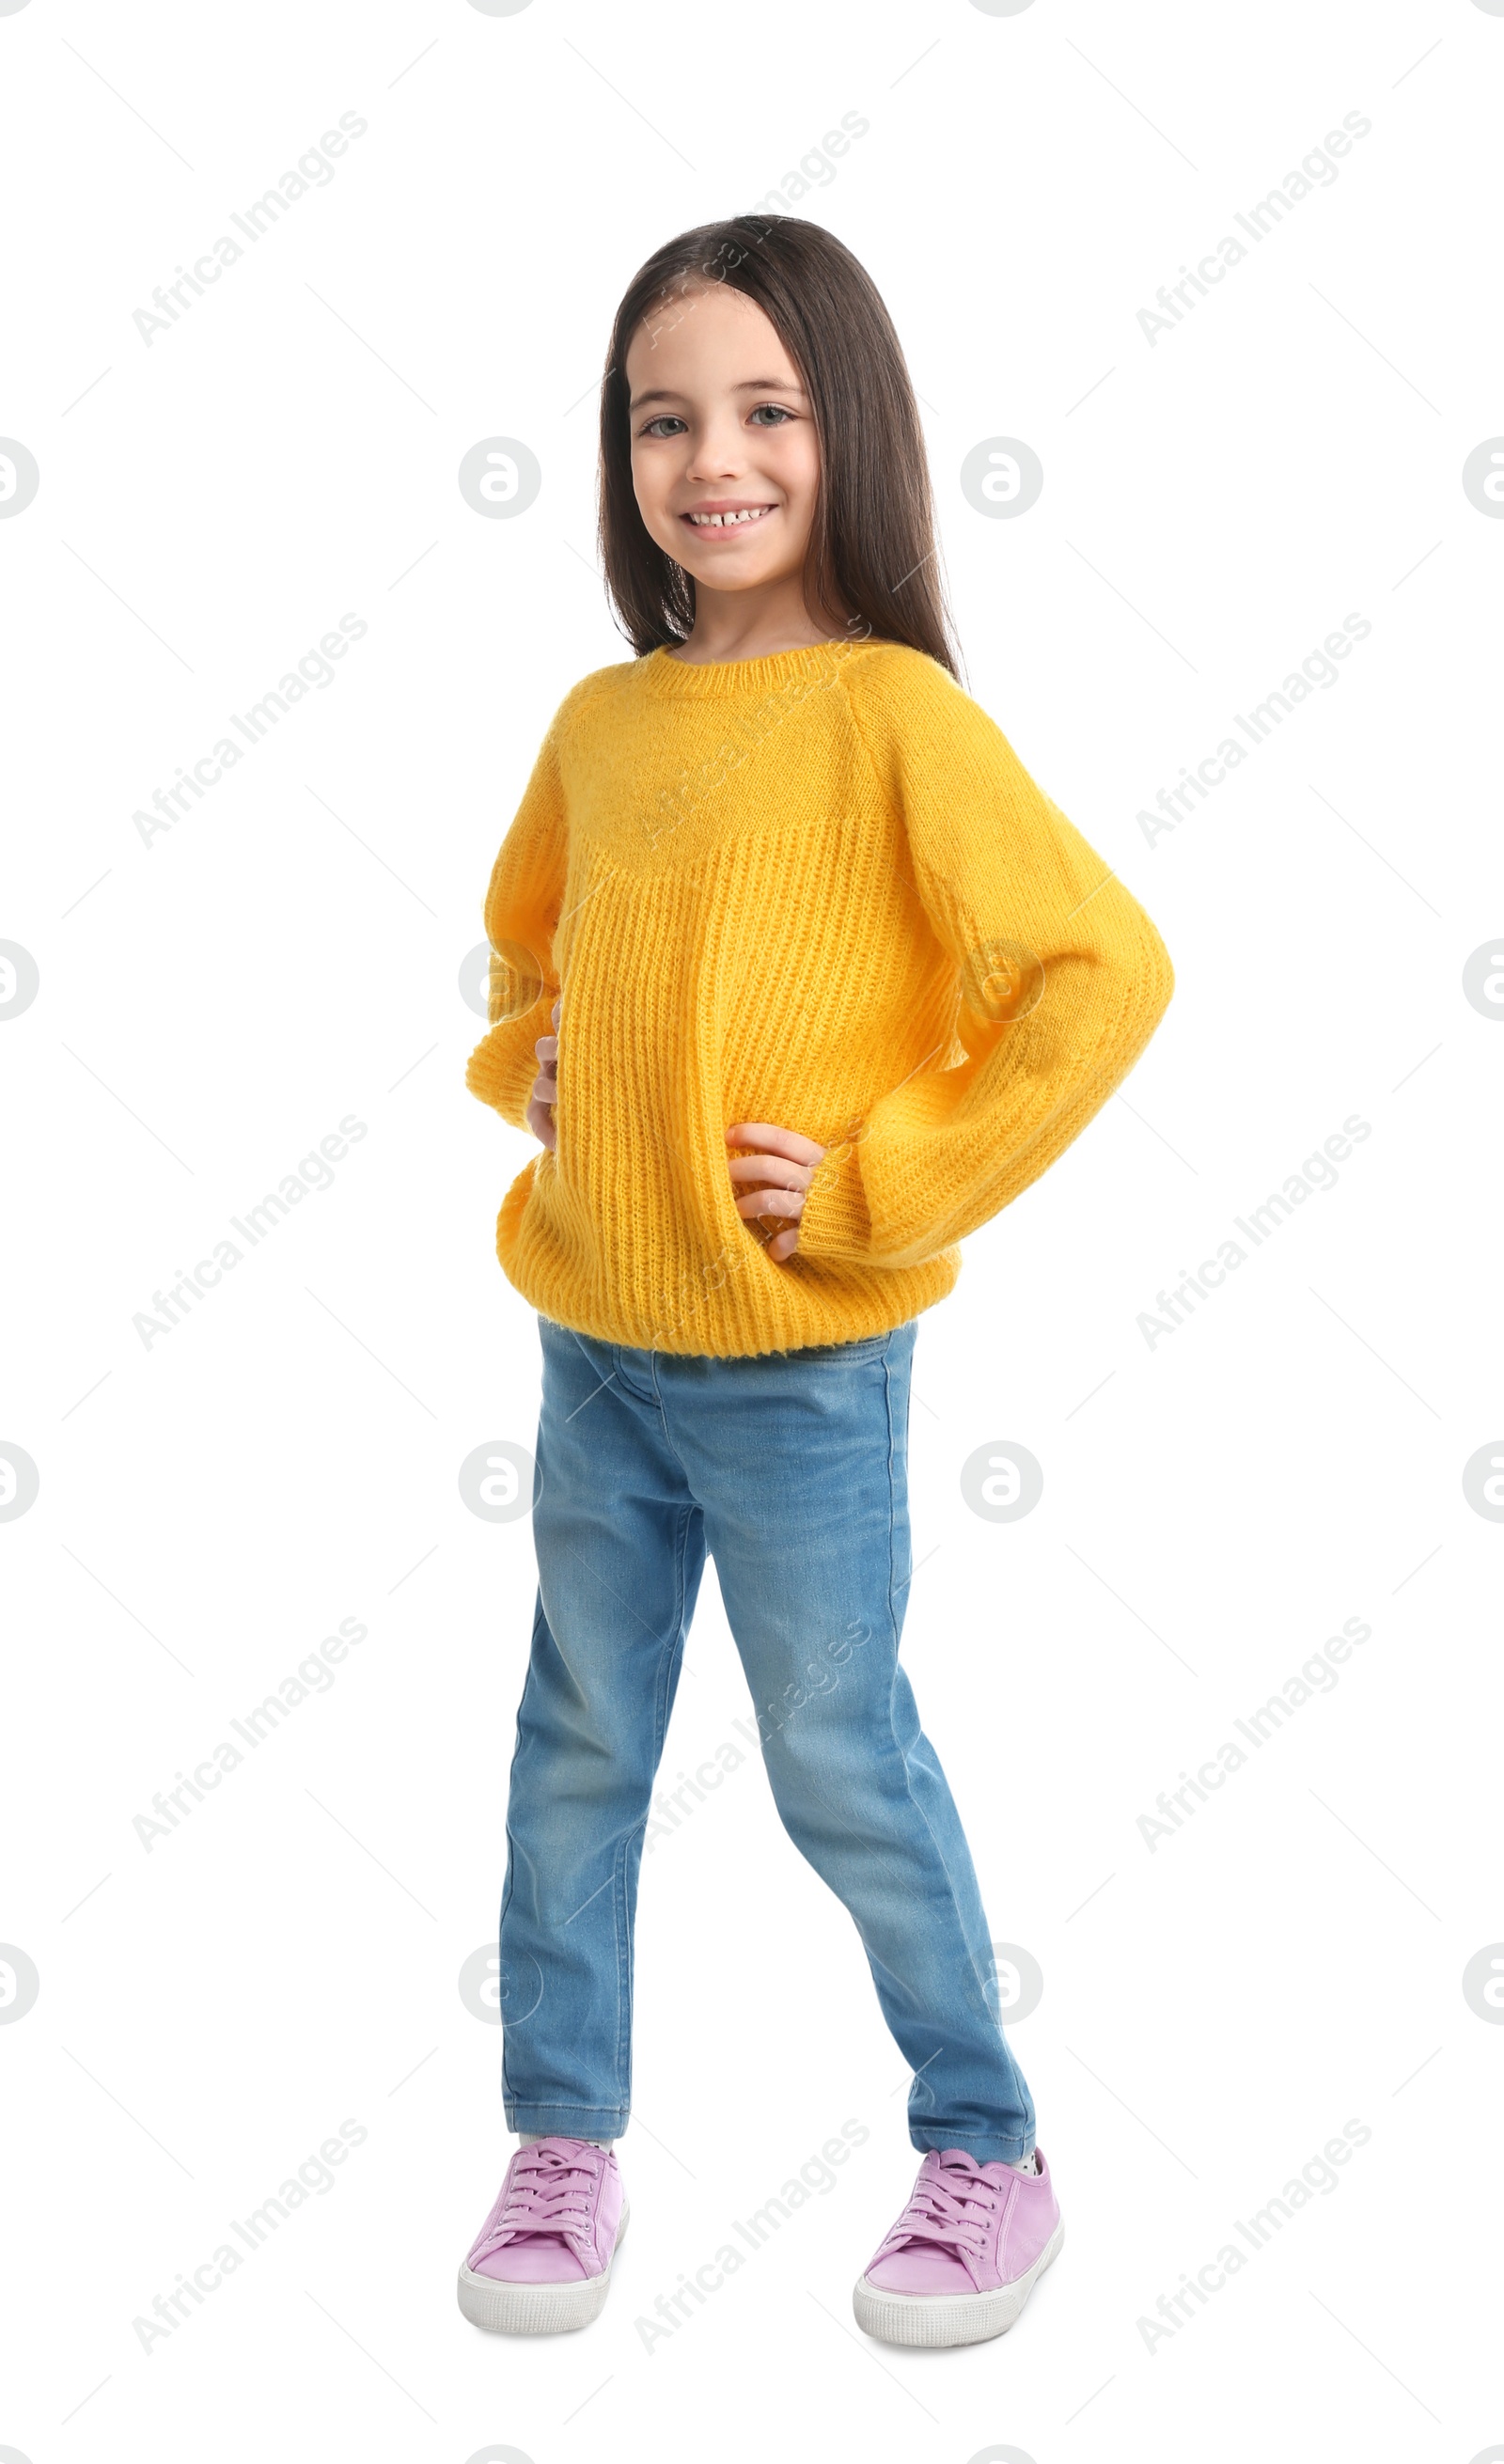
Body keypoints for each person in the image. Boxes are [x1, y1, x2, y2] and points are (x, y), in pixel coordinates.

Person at [455, 215, 1174, 2349]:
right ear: (622, 456)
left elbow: (1097, 973)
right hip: (596, 1341)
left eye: (765, 410)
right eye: (663, 418)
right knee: (575, 1739)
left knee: (837, 1750)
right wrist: (536, 1066)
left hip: (798, 1372)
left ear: (844, 432)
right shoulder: (601, 720)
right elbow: (523, 962)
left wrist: (888, 1176)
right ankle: (561, 2137)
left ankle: (983, 2142)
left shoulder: (892, 716)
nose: (715, 461)